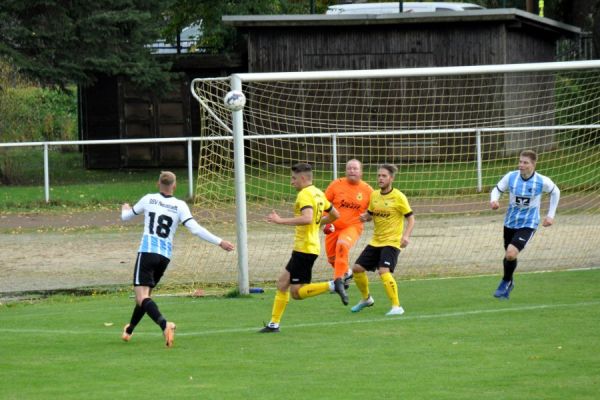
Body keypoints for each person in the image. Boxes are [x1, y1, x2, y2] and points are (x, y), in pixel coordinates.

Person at [120, 171, 235, 346]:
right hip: (164, 257)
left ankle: (166, 325)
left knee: (141, 297)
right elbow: (195, 229)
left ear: (158, 184)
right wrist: (220, 242)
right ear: (174, 186)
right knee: (145, 297)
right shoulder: (180, 205)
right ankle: (129, 330)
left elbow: (125, 217)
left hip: (147, 252)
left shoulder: (148, 199)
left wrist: (125, 208)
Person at [259, 163, 340, 333]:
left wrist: (280, 220)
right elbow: (335, 215)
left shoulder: (304, 195)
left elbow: (307, 218)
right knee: (282, 283)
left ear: (303, 178)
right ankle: (274, 324)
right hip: (307, 248)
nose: (291, 182)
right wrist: (319, 223)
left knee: (296, 292)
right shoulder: (318, 193)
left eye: (294, 178)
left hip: (305, 249)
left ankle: (333, 285)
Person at [490, 149, 560, 299]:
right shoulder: (511, 177)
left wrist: (550, 215)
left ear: (533, 164)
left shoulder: (542, 181)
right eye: (520, 161)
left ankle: (506, 281)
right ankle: (509, 282)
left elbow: (556, 192)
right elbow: (497, 189)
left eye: (525, 162)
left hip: (529, 223)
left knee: (511, 253)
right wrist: (494, 200)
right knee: (509, 255)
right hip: (510, 222)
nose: (521, 165)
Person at [350, 164, 415, 316]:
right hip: (376, 241)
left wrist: (406, 236)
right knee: (357, 269)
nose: (380, 178)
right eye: (379, 175)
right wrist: (365, 217)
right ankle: (366, 299)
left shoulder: (399, 197)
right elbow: (371, 213)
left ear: (391, 178)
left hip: (392, 242)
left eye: (384, 176)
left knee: (383, 271)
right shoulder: (374, 195)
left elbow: (411, 219)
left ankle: (396, 306)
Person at [323, 159, 373, 303]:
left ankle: (338, 281)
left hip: (353, 226)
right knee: (332, 259)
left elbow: (373, 212)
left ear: (361, 172)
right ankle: (347, 273)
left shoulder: (368, 190)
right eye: (349, 168)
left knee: (342, 245)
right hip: (333, 227)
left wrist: (368, 216)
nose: (352, 171)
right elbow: (324, 204)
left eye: (355, 168)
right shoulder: (336, 184)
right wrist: (324, 221)